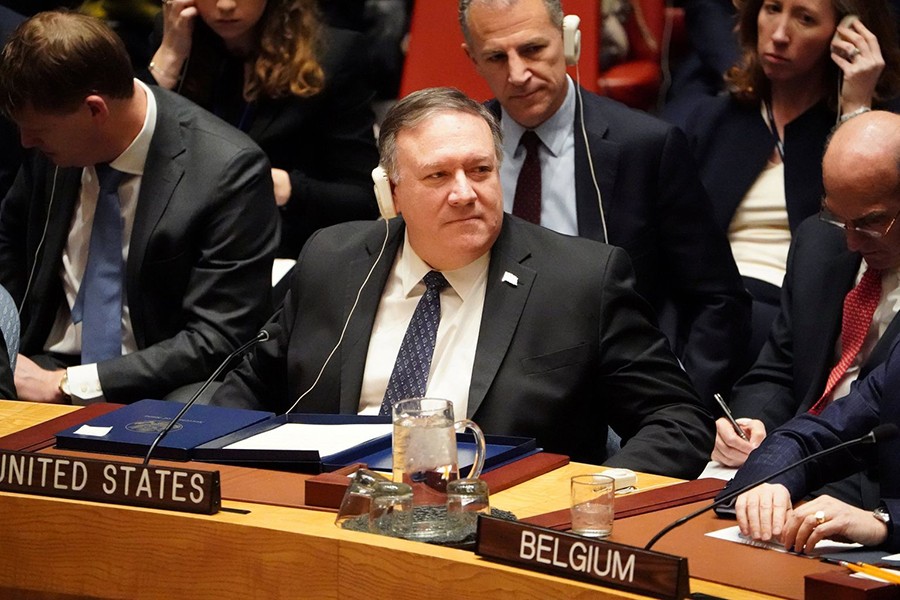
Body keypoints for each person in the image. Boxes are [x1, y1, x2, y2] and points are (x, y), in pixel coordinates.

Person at [210, 87, 716, 477]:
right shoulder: (333, 258)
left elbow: (678, 419)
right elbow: (251, 383)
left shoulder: (581, 280)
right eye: (437, 176)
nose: (464, 193)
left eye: (480, 170)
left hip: (492, 527)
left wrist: (588, 496)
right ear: (392, 190)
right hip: (327, 509)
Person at [457, 0, 750, 407]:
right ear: (472, 59)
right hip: (485, 385)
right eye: (496, 57)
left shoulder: (645, 147)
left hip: (613, 385)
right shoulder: (460, 155)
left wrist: (683, 407)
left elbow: (717, 298)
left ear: (568, 40)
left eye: (533, 49)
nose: (518, 74)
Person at [0, 10, 278, 405]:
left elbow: (220, 337)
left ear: (96, 110)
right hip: (43, 361)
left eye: (38, 131)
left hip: (160, 379)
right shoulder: (55, 143)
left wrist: (67, 384)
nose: (26, 142)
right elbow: (8, 239)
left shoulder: (227, 170)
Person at [684, 0, 900, 365]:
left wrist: (856, 108)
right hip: (712, 305)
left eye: (805, 19)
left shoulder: (879, 137)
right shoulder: (712, 119)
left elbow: (852, 245)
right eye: (772, 9)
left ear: (847, 32)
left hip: (796, 313)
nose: (780, 34)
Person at [725, 111, 900, 553]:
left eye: (871, 222)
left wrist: (884, 522)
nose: (851, 241)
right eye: (839, 218)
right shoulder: (820, 244)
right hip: (817, 473)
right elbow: (825, 414)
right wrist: (770, 466)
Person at [148, 0, 380, 258]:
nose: (225, 5)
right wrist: (169, 56)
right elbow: (128, 148)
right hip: (180, 243)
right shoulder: (175, 35)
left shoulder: (333, 55)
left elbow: (363, 200)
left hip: (280, 250)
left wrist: (284, 187)